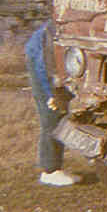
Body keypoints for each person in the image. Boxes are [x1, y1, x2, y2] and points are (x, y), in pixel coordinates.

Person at [25, 21, 81, 186]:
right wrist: (51, 95)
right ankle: (50, 170)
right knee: (51, 115)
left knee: (63, 113)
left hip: (57, 66)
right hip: (40, 64)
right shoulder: (54, 34)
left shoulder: (74, 26)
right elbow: (44, 67)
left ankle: (54, 167)